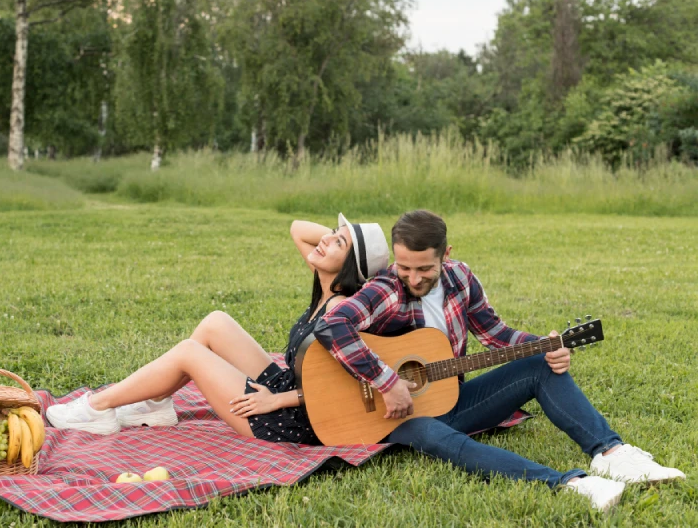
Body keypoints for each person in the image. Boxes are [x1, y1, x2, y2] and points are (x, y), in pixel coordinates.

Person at [313, 209, 685, 513]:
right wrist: (387, 381)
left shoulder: (461, 278)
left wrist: (544, 345)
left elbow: (496, 335)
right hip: (394, 417)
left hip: (450, 399)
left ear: (446, 254)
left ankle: (611, 453)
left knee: (540, 365)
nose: (412, 277)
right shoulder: (387, 288)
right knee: (434, 436)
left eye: (424, 269)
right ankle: (571, 484)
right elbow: (333, 325)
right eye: (404, 266)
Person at [46, 213, 390, 445]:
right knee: (215, 322)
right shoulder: (329, 282)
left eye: (337, 244)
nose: (324, 241)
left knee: (188, 353)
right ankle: (157, 404)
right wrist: (343, 240)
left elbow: (343, 384)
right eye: (330, 235)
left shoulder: (338, 309)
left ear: (349, 269)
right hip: (289, 387)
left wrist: (276, 400)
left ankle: (98, 408)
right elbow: (298, 228)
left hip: (293, 418)